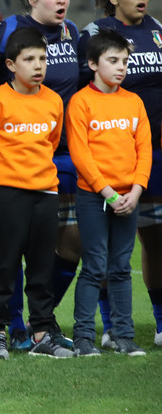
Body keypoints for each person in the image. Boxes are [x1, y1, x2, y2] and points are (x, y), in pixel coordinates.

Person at [0, 0, 80, 350]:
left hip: (66, 152)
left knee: (70, 243)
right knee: (10, 246)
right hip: (19, 155)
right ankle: (13, 326)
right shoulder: (10, 28)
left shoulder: (73, 33)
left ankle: (41, 319)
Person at [0, 27, 73, 360]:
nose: (38, 65)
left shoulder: (54, 101)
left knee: (42, 265)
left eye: (42, 59)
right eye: (29, 59)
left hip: (45, 193)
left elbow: (53, 141)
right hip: (6, 193)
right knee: (2, 265)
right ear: (11, 65)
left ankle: (42, 332)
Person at [81, 0, 162, 350]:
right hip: (108, 155)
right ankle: (111, 325)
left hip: (151, 151)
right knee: (108, 250)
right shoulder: (95, 33)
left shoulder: (158, 30)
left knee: (156, 237)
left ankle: (159, 322)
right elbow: (85, 93)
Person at [67, 28, 151, 357]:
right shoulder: (81, 102)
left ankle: (123, 336)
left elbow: (144, 149)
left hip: (129, 197)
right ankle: (85, 337)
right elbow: (81, 154)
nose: (120, 68)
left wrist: (136, 190)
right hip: (94, 198)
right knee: (94, 266)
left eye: (125, 62)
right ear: (92, 63)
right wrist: (108, 193)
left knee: (120, 268)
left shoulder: (134, 102)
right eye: (112, 61)